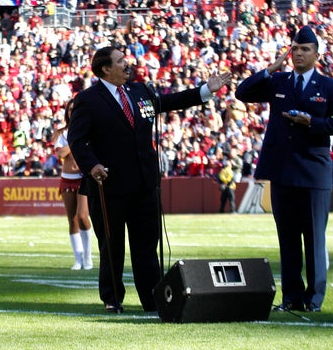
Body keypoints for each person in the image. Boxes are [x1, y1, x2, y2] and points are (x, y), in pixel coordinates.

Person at [67, 46, 231, 313]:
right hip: (109, 184)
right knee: (112, 246)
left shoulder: (140, 90)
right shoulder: (88, 99)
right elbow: (77, 139)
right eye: (120, 61)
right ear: (106, 69)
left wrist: (206, 90)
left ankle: (152, 299)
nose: (127, 64)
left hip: (144, 183)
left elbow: (168, 102)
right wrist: (92, 165)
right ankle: (112, 298)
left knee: (147, 246)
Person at [235, 25, 333, 313]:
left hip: (314, 172)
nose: (299, 54)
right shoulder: (279, 81)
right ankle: (291, 297)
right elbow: (243, 93)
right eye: (295, 49)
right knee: (287, 238)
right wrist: (269, 68)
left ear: (317, 54)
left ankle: (314, 299)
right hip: (282, 169)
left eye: (305, 49)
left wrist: (312, 123)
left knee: (314, 238)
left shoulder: (329, 86)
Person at [53, 99, 93, 271]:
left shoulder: (90, 130)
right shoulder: (62, 133)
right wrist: (75, 140)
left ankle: (88, 256)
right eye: (69, 110)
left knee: (83, 216)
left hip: (83, 178)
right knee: (73, 220)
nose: (72, 112)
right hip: (67, 178)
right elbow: (61, 153)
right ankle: (78, 259)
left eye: (75, 109)